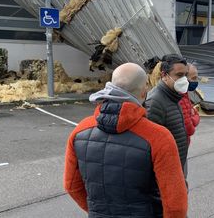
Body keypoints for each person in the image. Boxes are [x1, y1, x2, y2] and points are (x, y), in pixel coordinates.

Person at [63, 63, 188, 218]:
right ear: (144, 93)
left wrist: (97, 211)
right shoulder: (158, 137)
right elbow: (175, 205)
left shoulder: (80, 131)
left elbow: (71, 186)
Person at [145, 54, 189, 169]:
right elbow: (150, 145)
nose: (184, 80)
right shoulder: (155, 102)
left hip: (177, 164)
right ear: (164, 75)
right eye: (179, 75)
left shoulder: (174, 96)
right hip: (166, 169)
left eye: (185, 75)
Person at [179, 64, 200, 177]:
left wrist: (194, 116)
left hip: (183, 143)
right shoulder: (180, 96)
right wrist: (195, 118)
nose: (196, 81)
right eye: (193, 78)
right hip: (180, 145)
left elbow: (193, 114)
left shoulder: (185, 93)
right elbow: (190, 128)